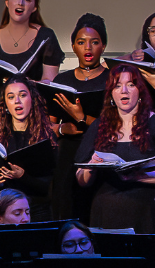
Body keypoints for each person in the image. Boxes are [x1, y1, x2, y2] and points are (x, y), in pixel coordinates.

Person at [74, 64, 155, 232]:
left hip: (145, 210)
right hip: (106, 211)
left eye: (131, 84)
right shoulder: (99, 126)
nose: (124, 90)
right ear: (111, 93)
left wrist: (137, 176)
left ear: (140, 91)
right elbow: (81, 180)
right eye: (117, 86)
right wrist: (91, 168)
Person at [47, 14, 110, 222]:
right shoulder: (61, 80)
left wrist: (82, 118)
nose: (88, 48)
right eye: (81, 42)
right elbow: (49, 127)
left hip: (100, 154)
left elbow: (117, 127)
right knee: (67, 214)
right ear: (73, 46)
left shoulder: (113, 80)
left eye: (95, 42)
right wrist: (64, 129)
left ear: (103, 46)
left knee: (95, 214)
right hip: (66, 157)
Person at [0, 77, 58, 203]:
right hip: (6, 206)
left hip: (36, 207)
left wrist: (23, 177)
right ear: (6, 104)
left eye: (22, 95)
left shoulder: (46, 135)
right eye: (11, 97)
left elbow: (51, 187)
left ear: (32, 99)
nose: (17, 101)